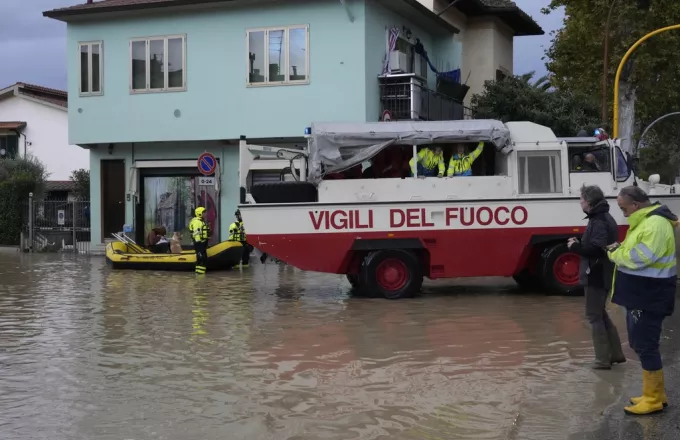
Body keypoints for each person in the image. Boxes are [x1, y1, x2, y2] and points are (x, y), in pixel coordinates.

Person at [607, 186, 677, 415]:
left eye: (623, 208)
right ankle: (654, 393)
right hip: (642, 295)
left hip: (649, 296)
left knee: (646, 345)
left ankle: (654, 398)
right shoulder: (646, 222)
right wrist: (621, 249)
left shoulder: (654, 224)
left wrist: (615, 254)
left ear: (635, 205)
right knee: (640, 343)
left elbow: (641, 258)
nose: (623, 213)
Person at [567, 185, 625, 369]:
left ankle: (602, 360)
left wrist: (574, 247)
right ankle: (615, 354)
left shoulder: (598, 220)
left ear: (590, 202)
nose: (580, 202)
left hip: (596, 274)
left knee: (594, 316)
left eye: (581, 199)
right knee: (600, 314)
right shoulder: (602, 218)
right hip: (603, 272)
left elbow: (596, 249)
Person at [189, 207, 210, 274]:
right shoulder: (197, 222)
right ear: (199, 213)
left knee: (202, 257)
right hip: (199, 243)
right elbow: (196, 233)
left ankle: (200, 273)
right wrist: (198, 242)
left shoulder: (201, 221)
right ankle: (200, 274)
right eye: (204, 213)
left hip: (202, 242)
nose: (205, 214)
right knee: (201, 257)